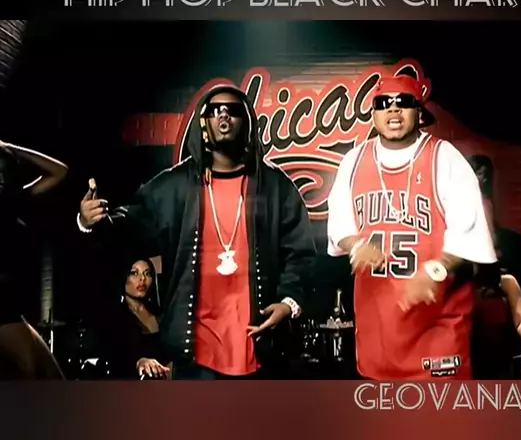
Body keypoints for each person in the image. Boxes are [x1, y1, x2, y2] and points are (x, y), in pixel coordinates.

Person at [77, 84, 316, 380]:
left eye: (233, 109)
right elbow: (131, 224)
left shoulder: (275, 186)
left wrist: (289, 302)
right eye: (214, 110)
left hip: (261, 346)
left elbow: (301, 252)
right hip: (195, 351)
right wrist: (92, 221)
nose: (223, 114)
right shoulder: (174, 185)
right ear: (203, 125)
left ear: (248, 123)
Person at [326, 75, 496, 381]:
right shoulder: (353, 161)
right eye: (383, 103)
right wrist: (356, 245)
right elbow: (340, 225)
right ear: (373, 113)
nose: (393, 109)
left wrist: (435, 270)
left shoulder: (445, 157)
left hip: (437, 328)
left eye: (403, 102)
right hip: (379, 329)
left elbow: (468, 234)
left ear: (419, 111)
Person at [468, 154, 521, 379]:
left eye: (484, 175)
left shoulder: (505, 282)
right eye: (477, 173)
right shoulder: (458, 284)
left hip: (499, 368)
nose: (481, 179)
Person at [0, 140, 67, 379]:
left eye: (3, 171)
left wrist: (9, 148)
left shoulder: (11, 203)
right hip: (4, 314)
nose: (0, 177)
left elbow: (59, 171)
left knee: (52, 377)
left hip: (11, 310)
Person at [98, 258, 170, 379]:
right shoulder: (114, 318)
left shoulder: (161, 313)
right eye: (134, 273)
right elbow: (114, 357)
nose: (142, 279)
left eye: (147, 274)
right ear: (124, 278)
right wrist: (139, 362)